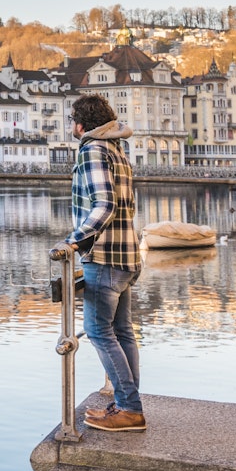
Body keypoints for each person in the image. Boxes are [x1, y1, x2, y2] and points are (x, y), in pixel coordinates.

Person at [55, 93, 145, 432]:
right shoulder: (117, 150)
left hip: (105, 256)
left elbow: (104, 206)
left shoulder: (92, 149)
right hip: (127, 255)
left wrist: (76, 239)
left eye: (72, 122)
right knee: (122, 332)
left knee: (97, 331)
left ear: (80, 125)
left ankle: (129, 408)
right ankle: (126, 402)